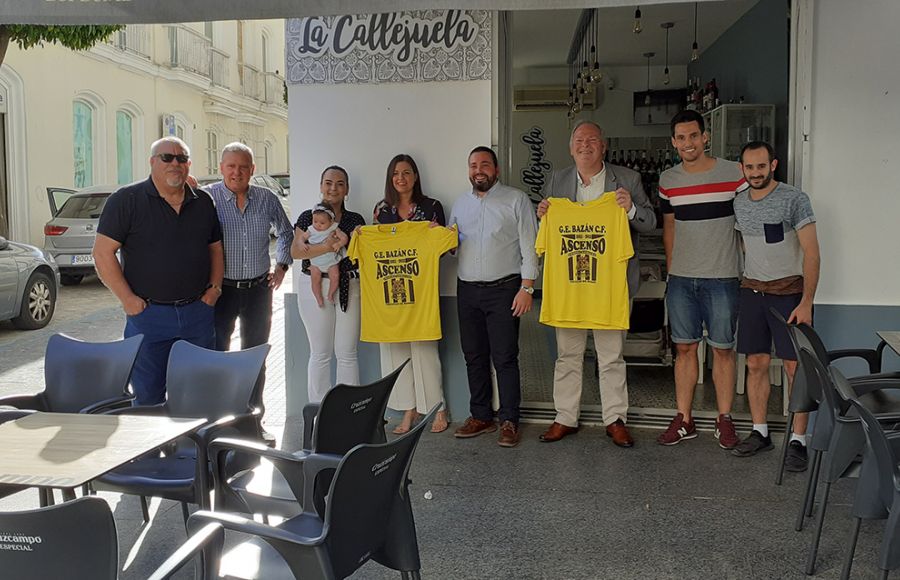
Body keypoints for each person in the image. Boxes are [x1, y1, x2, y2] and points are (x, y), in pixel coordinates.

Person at [535, 121, 656, 447]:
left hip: (610, 288)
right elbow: (547, 225)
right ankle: (565, 417)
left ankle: (615, 419)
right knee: (568, 355)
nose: (585, 145)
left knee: (612, 356)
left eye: (592, 140)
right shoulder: (557, 179)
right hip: (570, 288)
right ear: (570, 147)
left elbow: (650, 221)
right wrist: (543, 212)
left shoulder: (627, 180)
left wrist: (629, 208)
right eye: (579, 140)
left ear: (603, 146)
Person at [93, 136, 224, 405]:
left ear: (189, 165)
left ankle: (191, 448)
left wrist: (214, 289)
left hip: (197, 314)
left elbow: (215, 249)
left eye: (182, 158)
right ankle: (151, 450)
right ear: (152, 162)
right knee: (147, 397)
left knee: (198, 394)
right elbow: (102, 253)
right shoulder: (126, 200)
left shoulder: (203, 202)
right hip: (149, 317)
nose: (175, 163)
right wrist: (127, 299)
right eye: (167, 157)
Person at [656, 110, 746, 449]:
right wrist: (672, 267)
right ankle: (685, 419)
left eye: (693, 136)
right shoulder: (668, 179)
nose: (688, 143)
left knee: (723, 349)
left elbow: (745, 222)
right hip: (682, 279)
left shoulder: (734, 173)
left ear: (705, 137)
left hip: (722, 276)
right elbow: (670, 225)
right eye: (681, 138)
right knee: (684, 348)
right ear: (674, 142)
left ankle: (724, 418)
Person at [731, 141, 820, 471]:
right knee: (755, 363)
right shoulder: (739, 204)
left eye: (761, 166)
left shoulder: (794, 199)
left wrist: (807, 300)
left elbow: (812, 253)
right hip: (752, 293)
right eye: (749, 167)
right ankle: (760, 431)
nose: (755, 173)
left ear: (773, 165)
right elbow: (744, 245)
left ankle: (798, 441)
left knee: (795, 367)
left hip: (790, 294)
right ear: (742, 169)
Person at [449, 146, 539, 448]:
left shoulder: (516, 200)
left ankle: (510, 420)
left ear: (496, 170)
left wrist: (527, 288)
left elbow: (531, 246)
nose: (478, 170)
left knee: (505, 358)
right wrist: (443, 241)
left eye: (484, 164)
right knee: (473, 356)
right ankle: (481, 416)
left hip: (504, 289)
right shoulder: (460, 205)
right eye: (473, 165)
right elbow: (454, 246)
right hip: (467, 290)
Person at [203, 142, 294, 438]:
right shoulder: (207, 199)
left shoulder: (266, 198)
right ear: (221, 168)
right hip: (221, 291)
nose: (237, 172)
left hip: (258, 290)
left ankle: (254, 422)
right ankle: (217, 422)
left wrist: (281, 265)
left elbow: (286, 231)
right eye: (231, 166)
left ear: (253, 170)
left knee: (255, 356)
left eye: (243, 167)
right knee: (218, 355)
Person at [372, 154, 450, 434]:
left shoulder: (432, 208)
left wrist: (436, 232)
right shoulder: (382, 210)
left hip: (423, 294)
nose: (401, 178)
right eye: (396, 173)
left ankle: (438, 408)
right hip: (391, 296)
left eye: (406, 172)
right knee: (397, 354)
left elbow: (445, 247)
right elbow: (375, 249)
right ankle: (409, 411)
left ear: (416, 176)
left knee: (426, 352)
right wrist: (362, 235)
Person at [292, 166, 366, 402]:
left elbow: (358, 255)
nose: (333, 188)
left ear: (347, 189)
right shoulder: (307, 217)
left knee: (347, 353)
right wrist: (327, 247)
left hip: (349, 285)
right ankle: (319, 413)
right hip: (314, 285)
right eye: (328, 182)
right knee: (321, 353)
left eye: (340, 183)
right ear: (321, 185)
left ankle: (348, 412)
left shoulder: (355, 220)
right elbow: (295, 251)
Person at [297, 204, 348, 307]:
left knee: (335, 277)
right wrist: (302, 243)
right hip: (316, 263)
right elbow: (301, 238)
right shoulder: (311, 229)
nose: (318, 225)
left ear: (331, 221)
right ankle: (318, 298)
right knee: (315, 280)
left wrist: (339, 244)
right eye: (315, 221)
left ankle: (330, 294)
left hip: (331, 261)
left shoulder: (334, 228)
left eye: (322, 223)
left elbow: (344, 238)